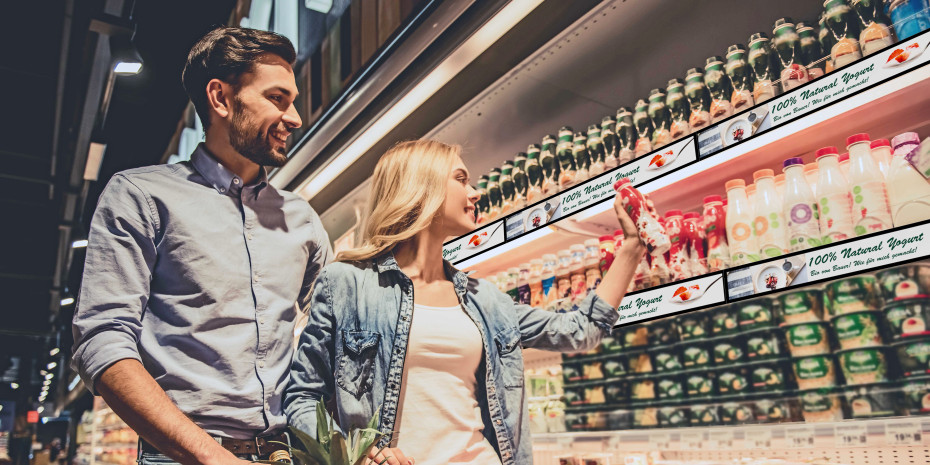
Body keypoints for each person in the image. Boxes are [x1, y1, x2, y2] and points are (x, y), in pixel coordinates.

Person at [284, 140, 644, 465]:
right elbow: (301, 396)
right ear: (422, 186)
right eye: (461, 179)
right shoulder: (347, 284)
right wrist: (354, 456)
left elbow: (580, 330)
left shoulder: (485, 300)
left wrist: (632, 248)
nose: (474, 192)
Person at [71, 27, 332, 465]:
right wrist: (212, 457)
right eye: (278, 99)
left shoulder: (301, 218)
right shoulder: (141, 196)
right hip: (180, 456)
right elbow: (102, 341)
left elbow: (335, 334)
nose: (296, 118)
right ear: (221, 99)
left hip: (288, 455)